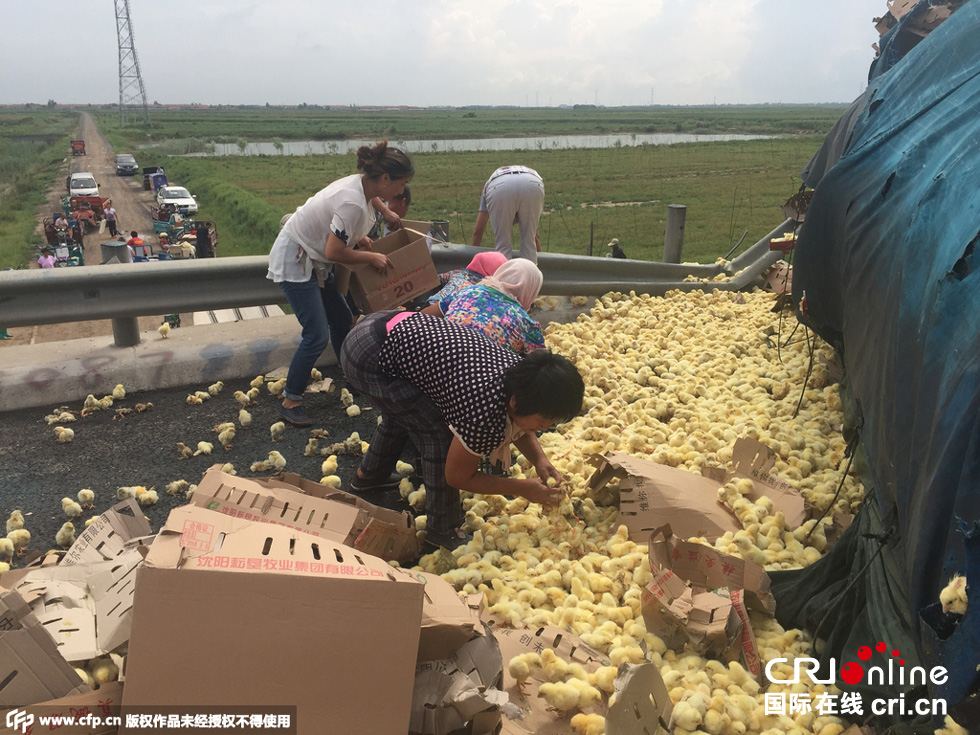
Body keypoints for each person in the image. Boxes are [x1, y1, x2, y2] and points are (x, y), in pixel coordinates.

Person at [340, 311, 584, 550]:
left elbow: (521, 422)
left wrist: (540, 460)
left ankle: (369, 477)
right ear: (514, 402)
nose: (544, 428)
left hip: (383, 328)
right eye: (543, 420)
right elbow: (457, 476)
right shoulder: (485, 412)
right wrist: (522, 488)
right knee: (437, 435)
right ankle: (441, 530)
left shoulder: (525, 376)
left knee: (406, 412)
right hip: (368, 355)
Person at [267, 140, 413, 427]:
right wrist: (371, 257)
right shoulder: (352, 202)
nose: (400, 192)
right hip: (298, 260)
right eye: (401, 184)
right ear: (385, 178)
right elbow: (335, 251)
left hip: (314, 258)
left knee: (342, 319)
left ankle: (352, 376)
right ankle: (290, 399)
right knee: (316, 335)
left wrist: (384, 214)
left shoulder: (363, 185)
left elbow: (367, 204)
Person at [423, 258, 546, 355]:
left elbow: (424, 316)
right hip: (476, 377)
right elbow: (542, 368)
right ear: (531, 291)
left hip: (434, 357)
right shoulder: (526, 324)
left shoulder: (468, 291)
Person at [471, 165, 545, 262]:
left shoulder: (487, 188)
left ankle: (505, 270)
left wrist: (473, 262)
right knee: (529, 244)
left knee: (503, 246)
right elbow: (535, 236)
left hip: (499, 185)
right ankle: (531, 270)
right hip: (533, 182)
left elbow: (478, 231)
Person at [426, 251, 508, 306]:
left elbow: (432, 280)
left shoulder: (458, 273)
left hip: (429, 305)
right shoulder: (484, 288)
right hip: (446, 314)